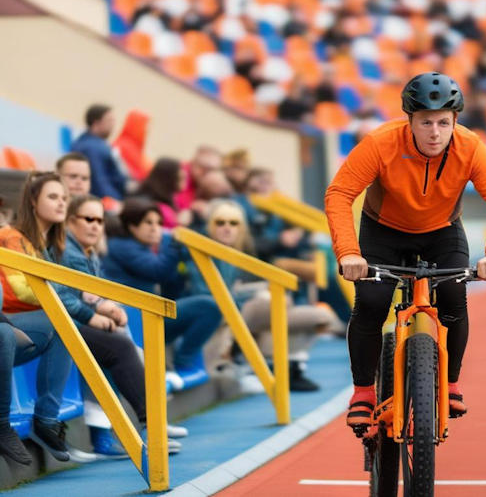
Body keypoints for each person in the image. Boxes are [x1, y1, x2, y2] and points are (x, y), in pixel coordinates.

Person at [324, 72, 486, 432]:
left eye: (443, 122)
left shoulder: (470, 146)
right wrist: (349, 253)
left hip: (442, 232)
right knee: (371, 301)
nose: (434, 132)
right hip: (383, 230)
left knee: (452, 296)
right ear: (409, 121)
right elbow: (339, 194)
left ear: (454, 122)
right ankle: (363, 392)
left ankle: (451, 384)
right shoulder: (381, 142)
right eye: (425, 122)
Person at [58, 195, 185, 457]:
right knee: (122, 349)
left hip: (76, 322)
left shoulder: (86, 251)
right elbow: (68, 295)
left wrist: (107, 307)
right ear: (70, 221)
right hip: (63, 325)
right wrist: (96, 310)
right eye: (88, 219)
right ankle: (150, 427)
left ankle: (145, 427)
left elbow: (96, 292)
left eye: (100, 221)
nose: (95, 226)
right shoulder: (69, 252)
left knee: (121, 344)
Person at [184, 200, 342, 391]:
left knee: (320, 317)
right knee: (270, 301)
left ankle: (285, 367)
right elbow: (207, 296)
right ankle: (266, 367)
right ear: (210, 225)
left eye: (233, 223)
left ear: (241, 228)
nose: (227, 228)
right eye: (220, 223)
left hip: (240, 309)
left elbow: (232, 291)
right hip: (220, 313)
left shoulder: (235, 251)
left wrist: (259, 291)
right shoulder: (200, 251)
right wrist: (256, 294)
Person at [103, 198, 222, 384]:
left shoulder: (142, 246)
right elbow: (157, 271)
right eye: (148, 223)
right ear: (132, 226)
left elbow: (169, 281)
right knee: (209, 306)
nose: (155, 228)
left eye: (159, 223)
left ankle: (181, 364)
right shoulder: (121, 246)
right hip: (132, 323)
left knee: (209, 305)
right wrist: (172, 243)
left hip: (149, 318)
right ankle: (183, 363)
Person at [0, 172, 74, 463]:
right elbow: (19, 290)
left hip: (13, 322)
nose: (61, 204)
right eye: (53, 196)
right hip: (11, 321)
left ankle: (46, 419)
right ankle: (3, 424)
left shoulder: (46, 244)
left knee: (66, 324)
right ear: (32, 201)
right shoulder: (11, 237)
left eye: (64, 198)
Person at [71, 104, 128, 203]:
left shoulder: (89, 143)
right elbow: (98, 181)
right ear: (96, 123)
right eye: (109, 120)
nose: (113, 124)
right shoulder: (92, 148)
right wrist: (114, 201)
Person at [132, 157, 186, 230]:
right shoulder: (147, 204)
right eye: (179, 169)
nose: (184, 173)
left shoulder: (168, 199)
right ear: (168, 176)